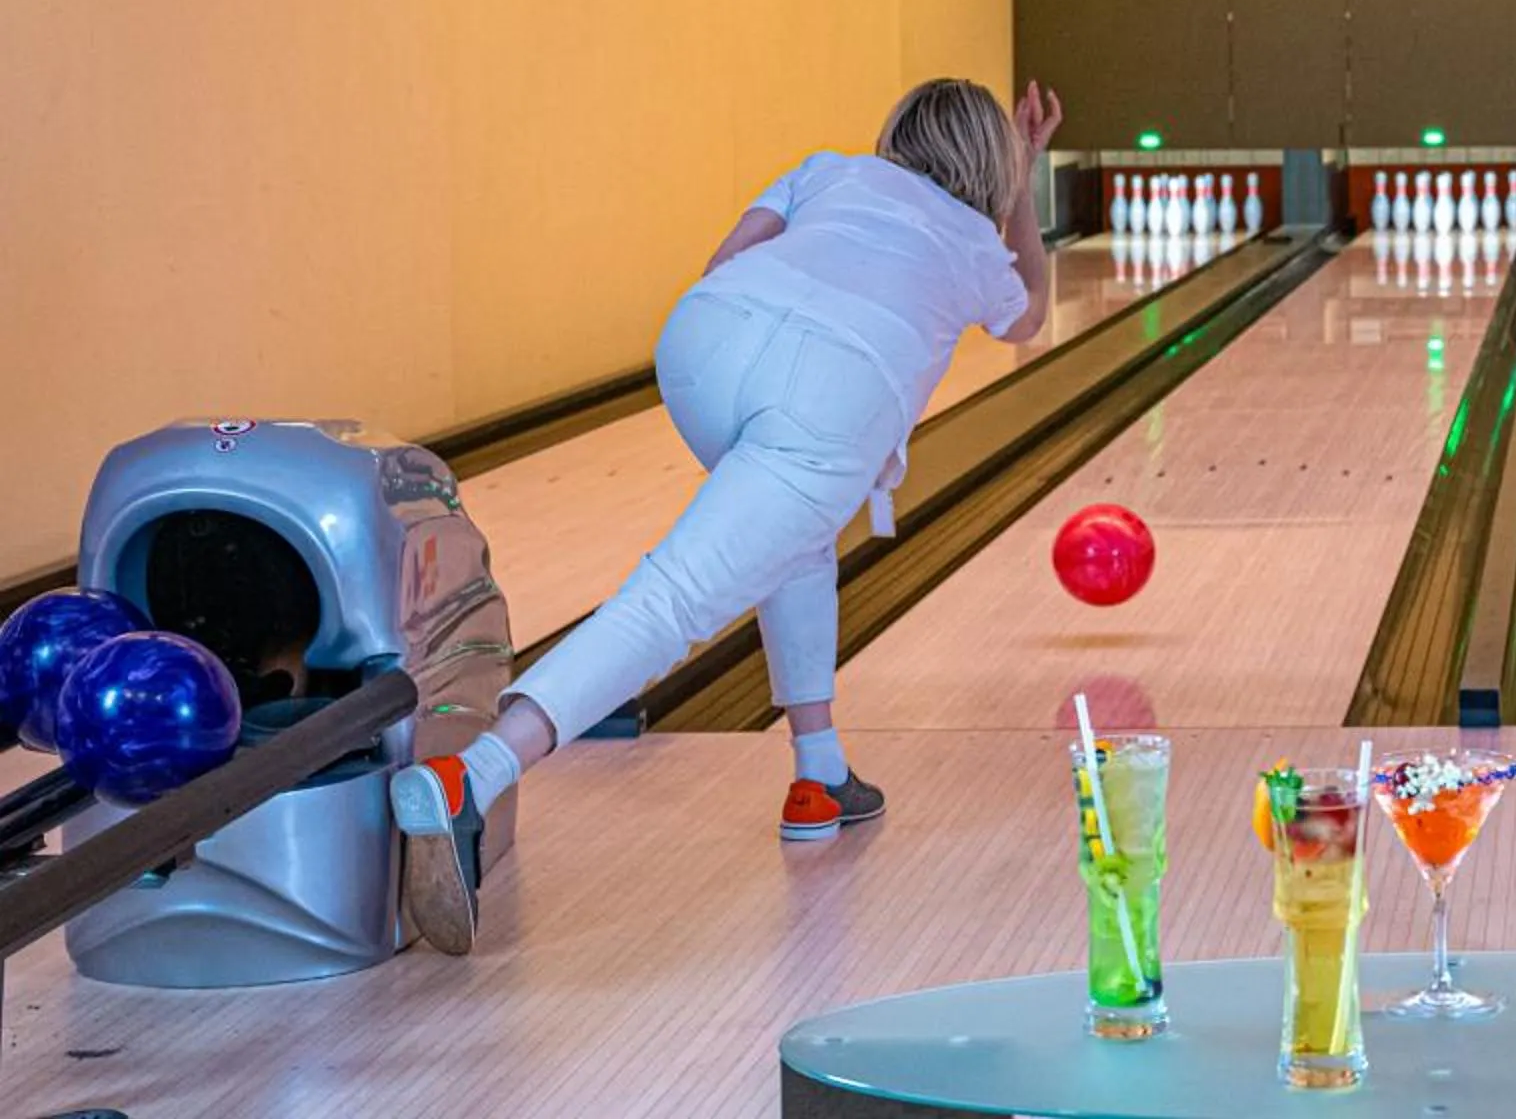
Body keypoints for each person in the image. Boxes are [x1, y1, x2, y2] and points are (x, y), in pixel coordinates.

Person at [391, 77, 1061, 955]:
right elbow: (1032, 318)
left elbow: (726, 262)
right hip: (833, 399)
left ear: (894, 133)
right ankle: (470, 775)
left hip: (705, 343)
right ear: (991, 166)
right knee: (674, 598)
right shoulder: (978, 240)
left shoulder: (832, 171)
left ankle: (819, 776)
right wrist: (1022, 190)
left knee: (796, 543)